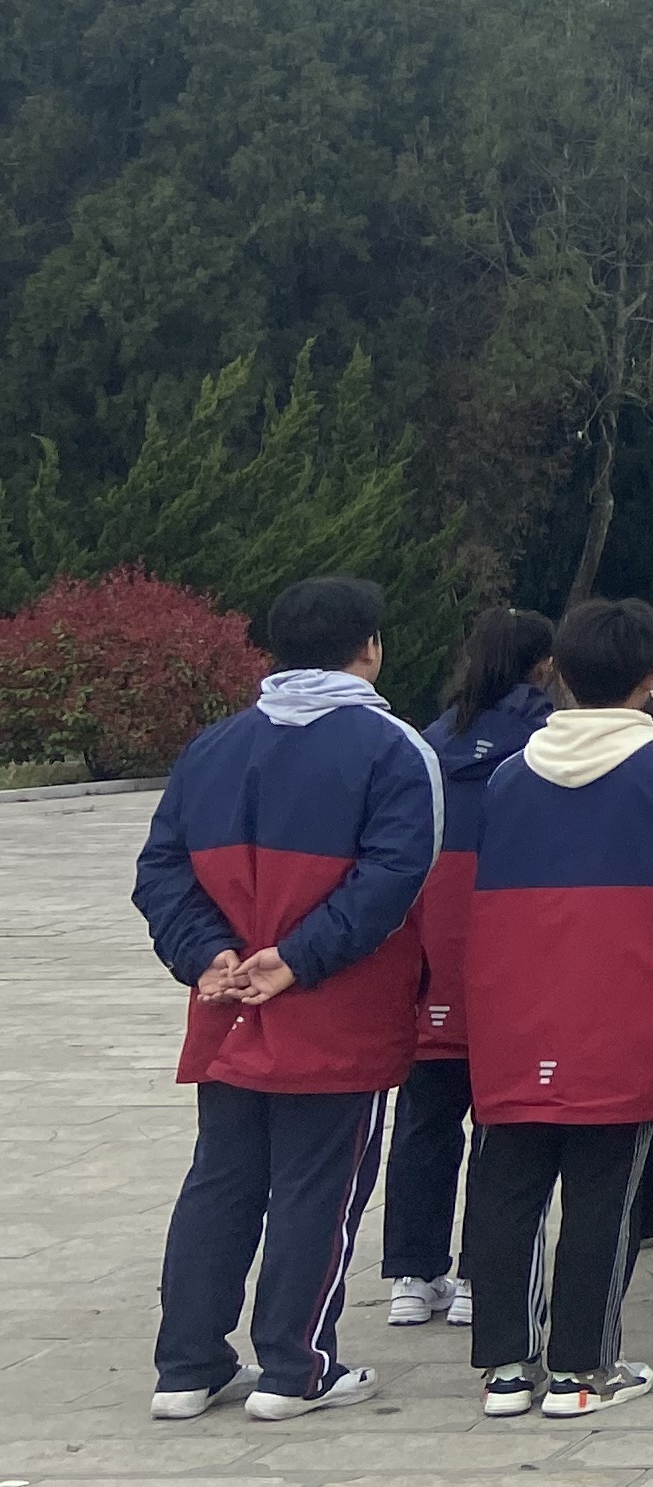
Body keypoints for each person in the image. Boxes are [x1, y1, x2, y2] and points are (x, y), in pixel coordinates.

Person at [135, 573, 440, 1420]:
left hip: (228, 998)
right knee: (319, 1185)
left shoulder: (212, 746)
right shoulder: (392, 748)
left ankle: (187, 1368)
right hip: (334, 1004)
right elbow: (394, 879)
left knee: (221, 1180)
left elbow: (160, 868)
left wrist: (209, 954)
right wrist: (296, 959)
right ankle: (294, 1368)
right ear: (369, 647)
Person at [461, 596, 653, 1421]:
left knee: (507, 1184)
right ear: (651, 678)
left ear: (563, 675)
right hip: (627, 1007)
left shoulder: (508, 777)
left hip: (513, 1010)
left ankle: (506, 1367)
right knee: (603, 1192)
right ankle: (583, 1368)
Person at [380, 606, 553, 1330]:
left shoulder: (425, 744)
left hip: (427, 963)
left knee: (423, 1120)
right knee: (503, 1127)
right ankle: (485, 1276)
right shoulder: (546, 745)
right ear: (544, 667)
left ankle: (412, 1277)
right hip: (507, 957)